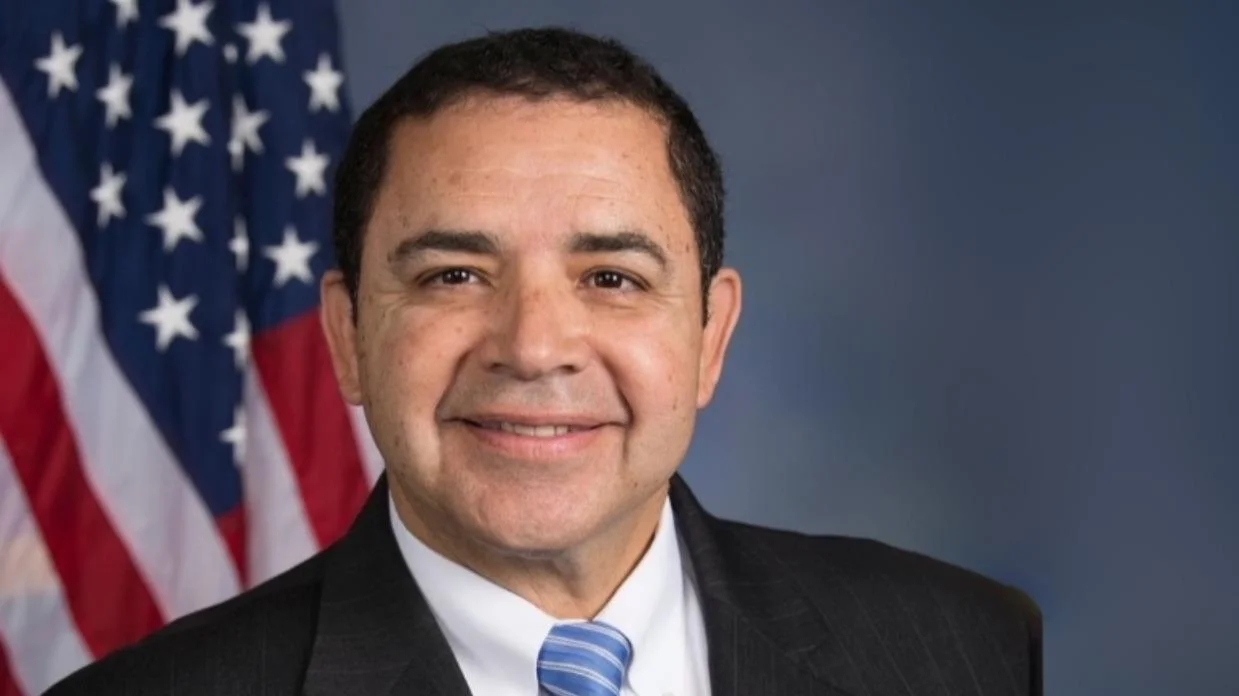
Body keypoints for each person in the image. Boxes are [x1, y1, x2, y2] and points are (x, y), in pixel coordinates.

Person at [47, 26, 1042, 696]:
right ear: (350, 338)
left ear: (710, 337)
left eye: (610, 278)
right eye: (451, 276)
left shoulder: (965, 649)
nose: (532, 348)